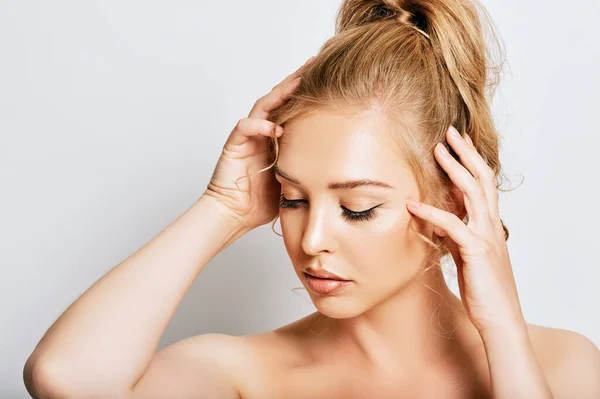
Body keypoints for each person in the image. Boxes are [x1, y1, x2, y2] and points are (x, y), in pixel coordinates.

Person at [23, 0, 600, 398]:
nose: (312, 241)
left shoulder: (565, 367)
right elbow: (68, 381)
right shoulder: (250, 375)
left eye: (358, 208)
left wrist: (502, 327)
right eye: (293, 200)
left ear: (453, 200)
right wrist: (221, 207)